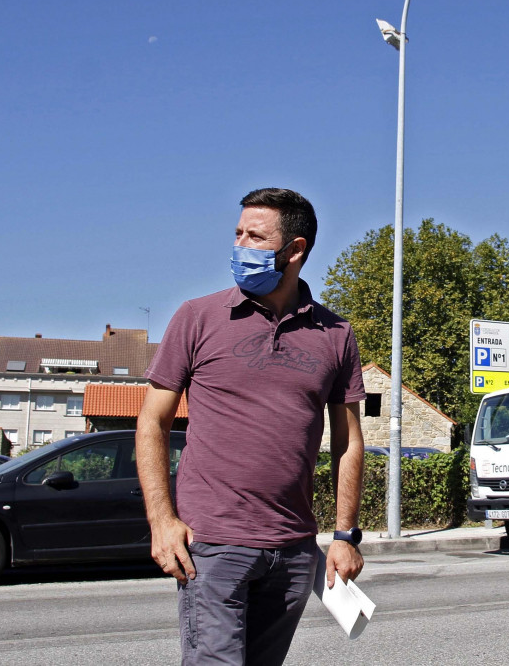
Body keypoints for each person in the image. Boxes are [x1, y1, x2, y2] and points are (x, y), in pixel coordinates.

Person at [137, 187, 366, 665]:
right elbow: (153, 422)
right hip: (215, 545)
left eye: (255, 237)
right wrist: (162, 521)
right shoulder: (196, 318)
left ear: (295, 250)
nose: (240, 246)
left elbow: (348, 442)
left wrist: (344, 536)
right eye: (238, 233)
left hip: (294, 549)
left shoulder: (336, 336)